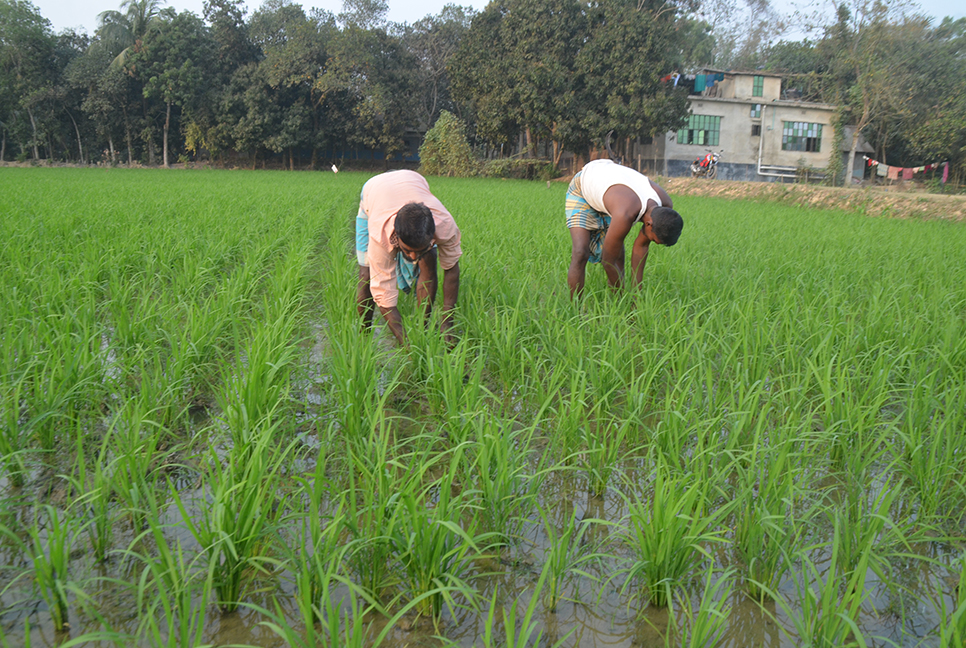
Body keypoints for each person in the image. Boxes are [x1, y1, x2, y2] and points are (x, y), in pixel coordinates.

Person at [356, 170, 462, 345]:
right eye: (408, 250)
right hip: (374, 191)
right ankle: (363, 336)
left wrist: (447, 323)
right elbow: (384, 295)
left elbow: (451, 271)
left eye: (419, 250)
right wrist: (407, 343)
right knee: (367, 276)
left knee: (429, 258)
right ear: (396, 237)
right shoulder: (379, 236)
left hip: (413, 180)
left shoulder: (445, 226)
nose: (413, 257)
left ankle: (423, 326)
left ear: (432, 236)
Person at [566, 158, 683, 296]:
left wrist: (636, 295)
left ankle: (616, 304)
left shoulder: (664, 208)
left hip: (610, 190)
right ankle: (576, 310)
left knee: (618, 253)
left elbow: (641, 247)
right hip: (584, 186)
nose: (653, 243)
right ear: (649, 224)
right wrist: (625, 297)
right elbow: (607, 261)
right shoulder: (624, 214)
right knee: (581, 252)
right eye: (655, 240)